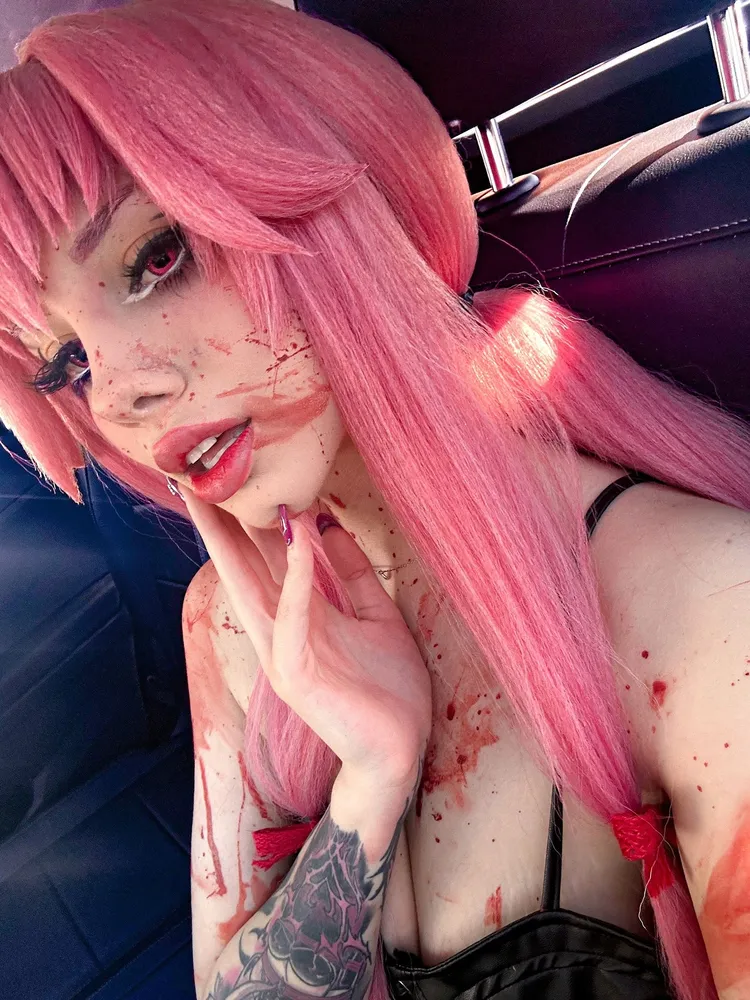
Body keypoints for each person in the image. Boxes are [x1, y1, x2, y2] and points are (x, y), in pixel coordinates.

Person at [0, 1, 749, 998]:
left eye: (158, 258)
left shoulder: (706, 610)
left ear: (339, 203)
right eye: (67, 361)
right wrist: (370, 781)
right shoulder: (229, 620)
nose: (116, 396)